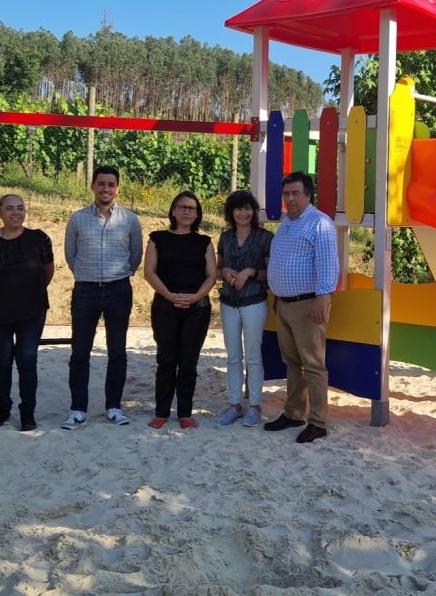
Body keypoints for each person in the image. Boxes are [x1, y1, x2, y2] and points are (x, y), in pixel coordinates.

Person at [62, 166, 143, 430]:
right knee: (80, 352)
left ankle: (114, 407)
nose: (105, 189)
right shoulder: (77, 219)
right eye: (101, 184)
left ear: (117, 188)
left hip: (119, 289)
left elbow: (135, 256)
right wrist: (88, 274)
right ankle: (78, 409)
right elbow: (70, 254)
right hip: (85, 290)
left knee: (117, 351)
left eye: (110, 184)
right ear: (93, 186)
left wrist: (117, 275)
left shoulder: (130, 220)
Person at [265, 171, 339, 443]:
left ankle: (318, 422)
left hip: (308, 304)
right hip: (284, 304)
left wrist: (323, 298)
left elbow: (328, 264)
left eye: (296, 193)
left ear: (308, 195)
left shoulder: (320, 223)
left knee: (314, 365)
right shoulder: (286, 222)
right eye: (286, 194)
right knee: (292, 363)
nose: (290, 198)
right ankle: (294, 413)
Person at [0, 194, 54, 432]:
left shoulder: (39, 239)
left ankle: (27, 413)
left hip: (32, 309)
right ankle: (2, 409)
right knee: (2, 360)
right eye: (9, 208)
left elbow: (47, 271)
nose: (15, 212)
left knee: (27, 360)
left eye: (20, 208)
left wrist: (28, 291)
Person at [143, 191, 217, 429]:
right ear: (173, 210)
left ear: (197, 214)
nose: (187, 212)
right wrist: (169, 295)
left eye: (192, 209)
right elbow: (149, 272)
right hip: (165, 305)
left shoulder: (204, 242)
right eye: (183, 207)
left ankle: (184, 412)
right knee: (166, 359)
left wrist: (195, 297)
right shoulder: (157, 238)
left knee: (188, 362)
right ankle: (161, 412)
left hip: (197, 308)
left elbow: (211, 275)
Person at [215, 190, 273, 427]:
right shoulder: (225, 237)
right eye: (239, 208)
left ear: (254, 211)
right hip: (228, 302)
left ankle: (255, 406)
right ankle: (235, 404)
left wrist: (250, 272)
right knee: (233, 356)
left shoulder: (265, 237)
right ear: (231, 212)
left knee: (253, 356)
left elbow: (270, 274)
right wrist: (224, 272)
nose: (244, 212)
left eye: (248, 208)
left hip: (254, 301)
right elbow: (217, 270)